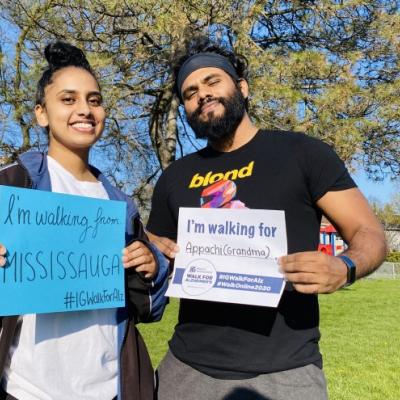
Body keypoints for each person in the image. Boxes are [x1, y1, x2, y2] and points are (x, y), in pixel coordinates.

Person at [146, 36, 387, 400]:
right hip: (185, 370)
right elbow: (154, 252)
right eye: (190, 92)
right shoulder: (175, 176)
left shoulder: (303, 153)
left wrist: (344, 267)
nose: (202, 95)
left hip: (286, 374)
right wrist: (150, 248)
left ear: (241, 87)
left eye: (213, 82)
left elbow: (369, 232)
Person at [0, 41, 168, 400]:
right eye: (68, 99)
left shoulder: (120, 206)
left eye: (94, 100)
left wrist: (152, 266)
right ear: (41, 113)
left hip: (109, 388)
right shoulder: (12, 186)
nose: (85, 110)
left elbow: (149, 309)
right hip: (27, 389)